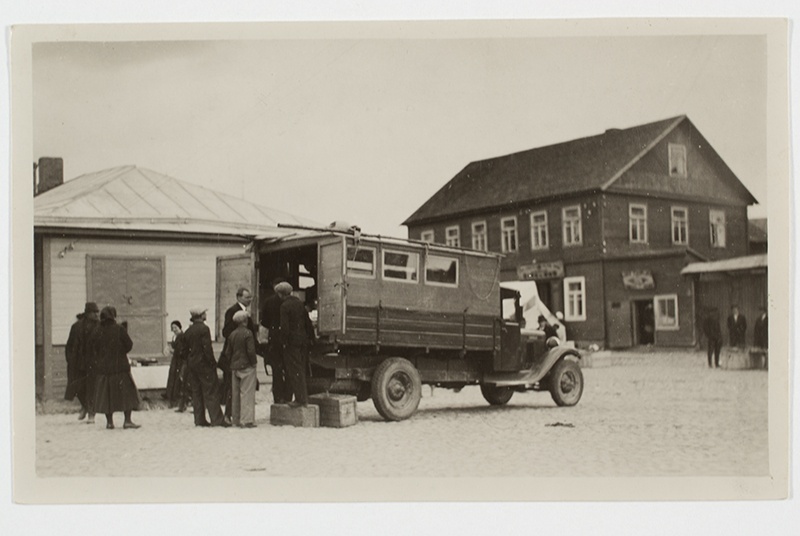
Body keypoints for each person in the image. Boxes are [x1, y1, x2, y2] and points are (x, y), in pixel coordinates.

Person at [89, 306, 141, 430]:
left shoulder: (97, 331)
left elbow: (92, 348)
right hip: (120, 368)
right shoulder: (119, 329)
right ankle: (127, 421)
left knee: (107, 396)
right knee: (126, 394)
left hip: (104, 369)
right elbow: (129, 345)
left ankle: (109, 422)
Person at [184, 307, 228, 427]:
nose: (206, 315)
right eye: (204, 313)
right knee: (210, 392)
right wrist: (213, 363)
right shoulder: (204, 329)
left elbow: (184, 350)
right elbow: (207, 349)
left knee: (196, 393)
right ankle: (217, 419)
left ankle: (199, 420)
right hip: (204, 365)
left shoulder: (189, 331)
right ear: (200, 315)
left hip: (192, 365)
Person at [220, 287, 256, 423]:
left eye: (251, 297)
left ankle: (236, 416)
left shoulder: (245, 312)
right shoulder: (232, 311)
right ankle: (229, 415)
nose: (250, 300)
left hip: (238, 355)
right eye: (247, 297)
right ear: (239, 297)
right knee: (233, 388)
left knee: (236, 388)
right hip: (237, 355)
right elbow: (226, 332)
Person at [277, 282, 316, 406]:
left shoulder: (284, 306)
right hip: (302, 341)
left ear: (280, 294)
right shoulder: (299, 304)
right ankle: (304, 398)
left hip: (292, 343)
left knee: (294, 371)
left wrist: (283, 342)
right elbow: (308, 323)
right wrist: (312, 338)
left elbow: (285, 328)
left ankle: (300, 400)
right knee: (301, 370)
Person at [64, 302, 100, 423]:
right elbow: (69, 346)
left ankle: (91, 414)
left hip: (93, 363)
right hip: (78, 363)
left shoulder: (100, 327)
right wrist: (70, 359)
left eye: (97, 312)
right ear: (87, 313)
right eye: (94, 312)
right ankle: (85, 406)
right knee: (78, 387)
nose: (96, 315)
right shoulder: (76, 327)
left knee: (92, 388)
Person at [224, 310, 258, 427]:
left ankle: (236, 419)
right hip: (246, 366)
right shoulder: (248, 333)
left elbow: (227, 352)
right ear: (245, 320)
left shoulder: (232, 334)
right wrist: (253, 363)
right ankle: (247, 420)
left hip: (235, 366)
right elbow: (251, 351)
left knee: (236, 394)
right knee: (247, 393)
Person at [260, 277, 290, 404]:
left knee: (276, 372)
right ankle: (288, 397)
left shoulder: (268, 302)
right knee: (289, 370)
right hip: (287, 340)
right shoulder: (291, 302)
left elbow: (265, 322)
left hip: (274, 340)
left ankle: (278, 399)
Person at [164, 320, 190, 410]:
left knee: (178, 379)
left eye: (175, 327)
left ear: (180, 327)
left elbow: (180, 350)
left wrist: (172, 351)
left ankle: (177, 400)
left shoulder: (181, 336)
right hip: (175, 360)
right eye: (172, 328)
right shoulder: (174, 337)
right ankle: (171, 397)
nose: (174, 329)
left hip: (179, 360)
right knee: (172, 377)